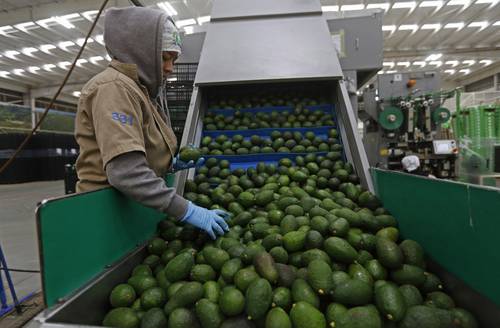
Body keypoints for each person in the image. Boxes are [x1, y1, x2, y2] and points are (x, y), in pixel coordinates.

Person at [74, 7, 229, 240]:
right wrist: (187, 210)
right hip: (105, 213)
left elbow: (139, 151)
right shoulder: (113, 89)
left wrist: (166, 163)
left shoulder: (141, 90)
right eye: (165, 57)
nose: (170, 68)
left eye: (174, 59)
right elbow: (126, 172)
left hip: (131, 207)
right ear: (139, 50)